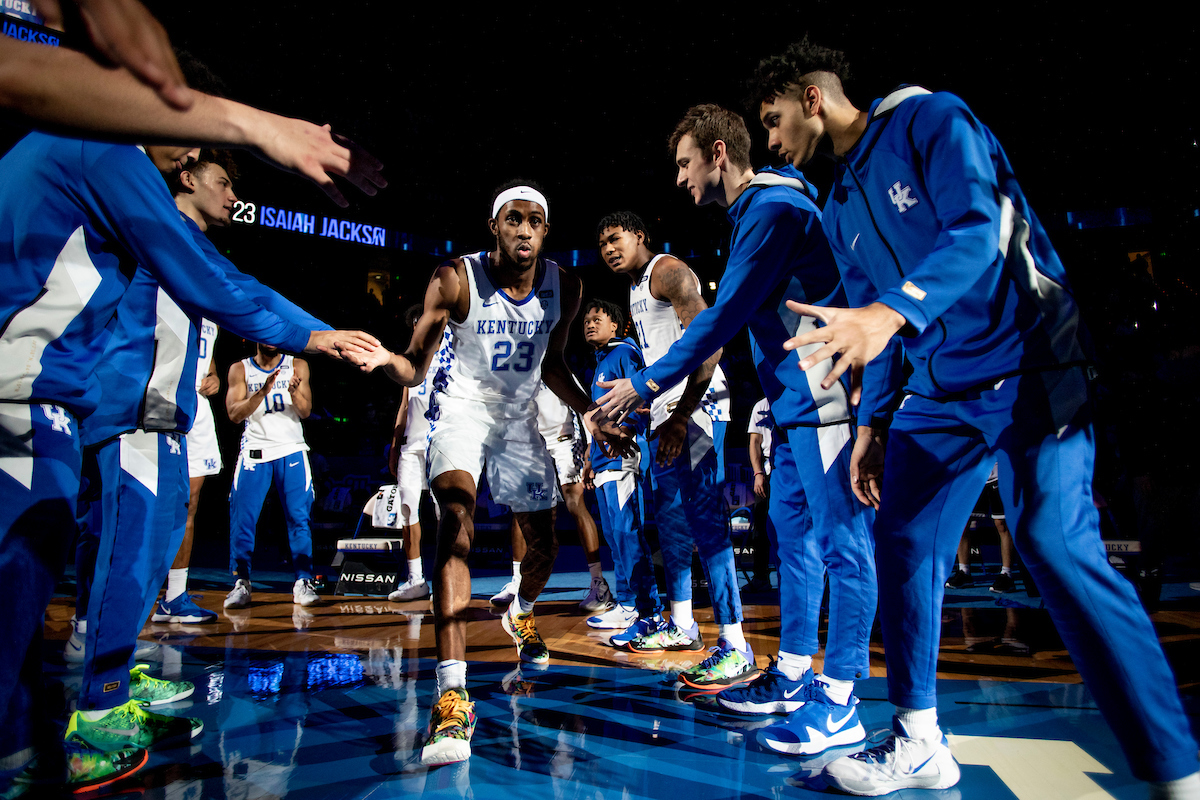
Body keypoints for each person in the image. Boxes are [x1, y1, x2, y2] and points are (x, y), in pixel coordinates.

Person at [750, 38, 1200, 796]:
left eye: (772, 120)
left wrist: (889, 315)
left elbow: (978, 230)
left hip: (1034, 357)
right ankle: (919, 740)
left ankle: (1176, 773)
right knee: (900, 537)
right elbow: (869, 327)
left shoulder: (932, 118)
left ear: (811, 99)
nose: (771, 140)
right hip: (940, 385)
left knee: (1052, 541)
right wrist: (870, 425)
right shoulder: (838, 205)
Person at [0, 130, 375, 793]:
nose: (234, 194)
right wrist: (313, 336)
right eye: (224, 181)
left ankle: (111, 686)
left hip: (166, 414)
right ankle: (99, 711)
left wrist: (321, 333)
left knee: (156, 545)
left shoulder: (181, 233)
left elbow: (237, 281)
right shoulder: (145, 210)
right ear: (190, 176)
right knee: (127, 548)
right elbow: (222, 288)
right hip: (126, 407)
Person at [595, 104, 887, 752]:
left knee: (843, 548)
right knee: (794, 545)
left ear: (718, 153)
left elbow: (722, 319)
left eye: (685, 162)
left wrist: (645, 383)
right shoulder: (754, 215)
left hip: (825, 399)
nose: (679, 178)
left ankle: (839, 699)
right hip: (787, 409)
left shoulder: (774, 208)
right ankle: (788, 675)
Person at [340, 182, 631, 766]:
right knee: (457, 522)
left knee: (545, 546)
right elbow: (415, 364)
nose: (525, 229)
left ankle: (520, 611)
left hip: (521, 416)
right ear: (494, 226)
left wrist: (591, 413)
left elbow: (553, 364)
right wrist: (385, 364)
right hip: (463, 413)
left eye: (536, 221)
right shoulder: (454, 279)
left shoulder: (565, 287)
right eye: (514, 219)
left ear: (546, 232)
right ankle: (452, 697)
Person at [594, 210, 755, 695]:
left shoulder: (667, 271)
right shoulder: (635, 288)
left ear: (640, 235)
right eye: (601, 243)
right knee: (670, 522)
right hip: (668, 412)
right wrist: (652, 408)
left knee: (705, 520)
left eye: (615, 237)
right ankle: (681, 624)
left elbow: (710, 347)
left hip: (700, 408)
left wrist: (682, 414)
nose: (608, 248)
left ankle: (735, 642)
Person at [490, 380, 615, 615]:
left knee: (574, 503)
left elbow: (582, 403)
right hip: (531, 444)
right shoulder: (521, 365)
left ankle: (599, 584)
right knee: (522, 509)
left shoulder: (554, 363)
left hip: (565, 439)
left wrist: (590, 444)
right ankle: (518, 580)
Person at [578, 300, 661, 640]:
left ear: (616, 325)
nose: (589, 323)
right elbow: (596, 419)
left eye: (597, 318)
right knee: (614, 537)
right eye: (586, 320)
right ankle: (626, 603)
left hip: (623, 458)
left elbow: (643, 400)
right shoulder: (598, 364)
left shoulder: (625, 353)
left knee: (629, 535)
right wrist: (587, 457)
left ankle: (648, 609)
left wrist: (628, 432)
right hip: (602, 463)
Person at [224, 342, 319, 609]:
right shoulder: (240, 369)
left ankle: (303, 581)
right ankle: (241, 581)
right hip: (256, 451)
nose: (271, 340)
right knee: (243, 519)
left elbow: (305, 411)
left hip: (291, 449)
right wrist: (262, 392)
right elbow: (233, 414)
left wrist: (293, 392)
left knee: (299, 518)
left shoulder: (297, 365)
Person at [384, 304, 448, 603]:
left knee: (445, 514)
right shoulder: (410, 364)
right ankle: (416, 580)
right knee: (408, 510)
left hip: (443, 444)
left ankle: (447, 578)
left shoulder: (453, 358)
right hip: (412, 446)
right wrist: (396, 445)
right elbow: (404, 407)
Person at [745, 396, 776, 593]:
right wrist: (758, 473)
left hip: (792, 464)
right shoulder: (761, 405)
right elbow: (754, 441)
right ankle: (760, 578)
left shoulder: (796, 393)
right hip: (767, 469)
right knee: (761, 527)